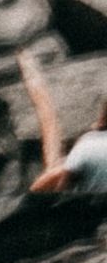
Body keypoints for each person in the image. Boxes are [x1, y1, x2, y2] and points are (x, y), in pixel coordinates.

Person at [16, 50, 107, 195]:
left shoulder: (90, 147)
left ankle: (28, 65)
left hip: (70, 192)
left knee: (49, 121)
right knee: (49, 125)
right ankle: (29, 67)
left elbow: (38, 187)